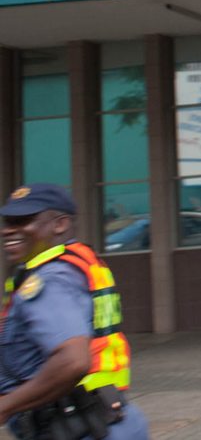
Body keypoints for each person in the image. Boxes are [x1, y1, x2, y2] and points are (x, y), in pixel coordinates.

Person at [0, 183, 149, 439]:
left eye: (24, 221)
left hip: (77, 426)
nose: (8, 230)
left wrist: (6, 406)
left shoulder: (51, 279)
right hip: (106, 419)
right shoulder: (68, 266)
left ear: (60, 225)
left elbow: (72, 361)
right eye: (8, 221)